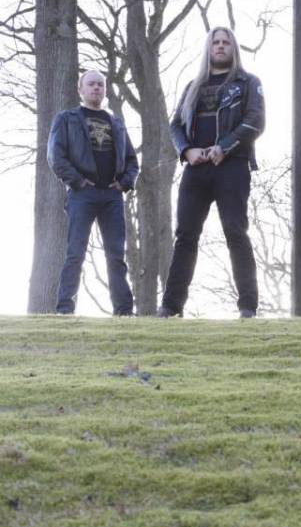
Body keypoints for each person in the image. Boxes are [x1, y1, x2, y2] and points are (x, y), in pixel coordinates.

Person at [158, 27, 265, 319]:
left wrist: (225, 146)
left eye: (225, 42)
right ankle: (170, 307)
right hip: (196, 169)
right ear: (209, 48)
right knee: (185, 235)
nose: (220, 46)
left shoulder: (248, 83)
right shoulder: (193, 86)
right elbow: (175, 125)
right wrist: (186, 151)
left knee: (235, 231)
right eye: (215, 42)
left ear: (233, 48)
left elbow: (256, 120)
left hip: (231, 166)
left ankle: (247, 307)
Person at [48, 69, 139, 316]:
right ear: (80, 89)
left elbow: (132, 161)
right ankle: (65, 309)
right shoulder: (66, 119)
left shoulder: (116, 123)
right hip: (82, 195)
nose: (96, 87)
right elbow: (56, 156)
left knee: (116, 255)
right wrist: (78, 181)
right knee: (75, 253)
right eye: (91, 84)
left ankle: (124, 312)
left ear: (105, 89)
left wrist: (124, 183)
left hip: (112, 196)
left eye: (100, 84)